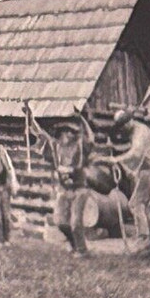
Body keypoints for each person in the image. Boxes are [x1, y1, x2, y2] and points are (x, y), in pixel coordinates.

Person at [26, 104, 92, 256]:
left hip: (79, 189)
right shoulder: (55, 147)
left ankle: (82, 250)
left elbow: (91, 138)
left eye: (70, 132)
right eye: (65, 132)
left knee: (75, 223)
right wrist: (30, 117)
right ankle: (74, 245)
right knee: (60, 222)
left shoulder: (80, 146)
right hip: (63, 189)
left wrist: (82, 119)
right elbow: (39, 133)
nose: (67, 134)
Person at [99, 109, 150, 256]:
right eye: (120, 126)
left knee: (135, 204)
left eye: (123, 124)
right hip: (147, 171)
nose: (122, 128)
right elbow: (137, 155)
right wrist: (128, 167)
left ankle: (143, 237)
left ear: (130, 120)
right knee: (143, 206)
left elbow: (136, 153)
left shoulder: (140, 132)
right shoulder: (135, 131)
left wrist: (115, 159)